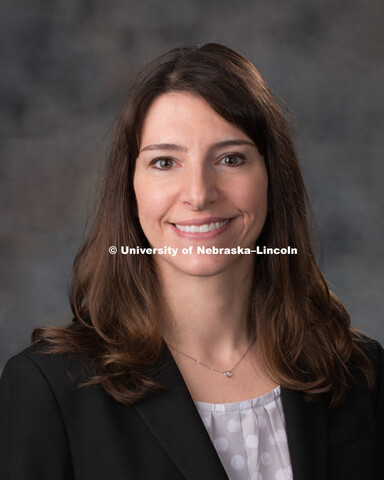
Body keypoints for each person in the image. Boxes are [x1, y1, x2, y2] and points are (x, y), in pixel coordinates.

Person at [0, 43, 383, 480]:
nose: (199, 194)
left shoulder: (356, 371)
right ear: (131, 189)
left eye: (231, 159)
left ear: (272, 178)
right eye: (165, 162)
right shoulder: (48, 387)